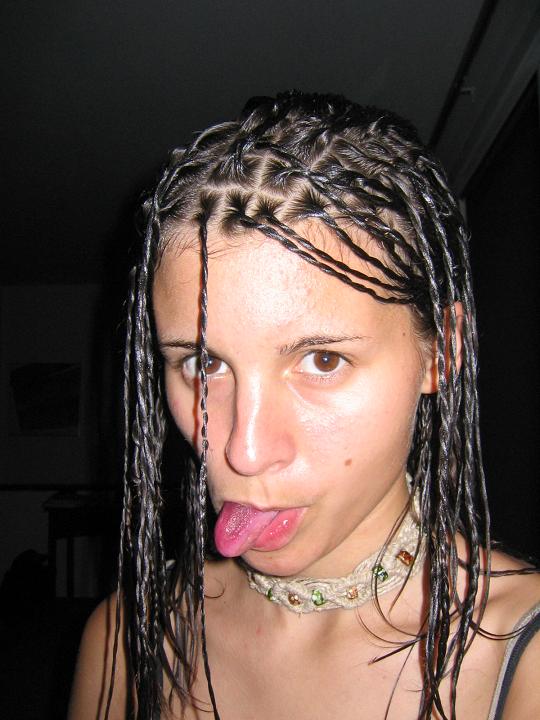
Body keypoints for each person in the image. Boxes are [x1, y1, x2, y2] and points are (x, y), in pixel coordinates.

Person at [68, 92, 540, 720]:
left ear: (441, 352)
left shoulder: (523, 660)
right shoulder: (126, 637)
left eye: (322, 360)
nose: (244, 451)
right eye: (204, 365)